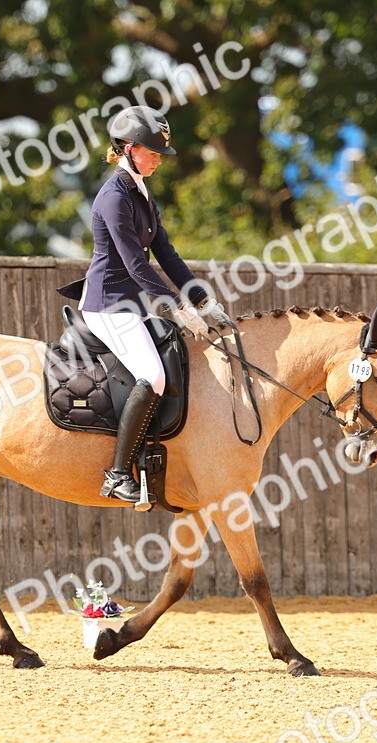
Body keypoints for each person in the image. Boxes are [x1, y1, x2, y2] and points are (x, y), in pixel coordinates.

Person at [59, 105, 230, 507]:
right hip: (108, 306)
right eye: (152, 152)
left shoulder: (140, 191)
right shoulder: (114, 198)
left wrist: (204, 300)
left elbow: (165, 253)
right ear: (127, 148)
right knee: (152, 376)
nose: (157, 159)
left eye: (158, 153)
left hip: (132, 303)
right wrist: (177, 307)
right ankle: (118, 475)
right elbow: (137, 265)